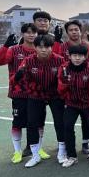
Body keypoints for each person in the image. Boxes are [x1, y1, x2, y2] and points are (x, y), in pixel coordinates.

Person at [15, 34, 66, 168]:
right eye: (40, 47)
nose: (44, 50)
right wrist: (35, 90)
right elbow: (24, 80)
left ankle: (62, 152)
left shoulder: (60, 61)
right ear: (35, 48)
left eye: (47, 47)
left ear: (52, 47)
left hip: (55, 95)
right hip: (35, 94)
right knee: (32, 123)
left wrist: (60, 92)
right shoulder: (28, 61)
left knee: (60, 122)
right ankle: (35, 155)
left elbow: (64, 81)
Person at [0, 23, 38, 163]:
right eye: (28, 32)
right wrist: (5, 46)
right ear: (23, 34)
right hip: (18, 92)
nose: (31, 35)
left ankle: (35, 148)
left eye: (34, 32)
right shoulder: (14, 50)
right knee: (18, 122)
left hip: (36, 93)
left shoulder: (39, 50)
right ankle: (17, 151)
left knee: (35, 122)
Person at [57, 44, 89, 167]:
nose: (77, 58)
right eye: (74, 55)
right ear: (69, 56)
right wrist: (65, 83)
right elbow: (60, 90)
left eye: (80, 55)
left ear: (85, 56)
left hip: (87, 104)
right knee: (67, 126)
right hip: (71, 103)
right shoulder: (64, 68)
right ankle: (72, 156)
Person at [53, 19, 89, 153]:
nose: (74, 32)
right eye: (71, 30)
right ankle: (67, 147)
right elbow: (56, 60)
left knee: (87, 120)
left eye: (76, 29)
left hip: (85, 87)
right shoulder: (63, 47)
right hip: (68, 88)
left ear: (80, 31)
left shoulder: (87, 45)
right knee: (67, 121)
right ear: (67, 32)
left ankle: (86, 142)